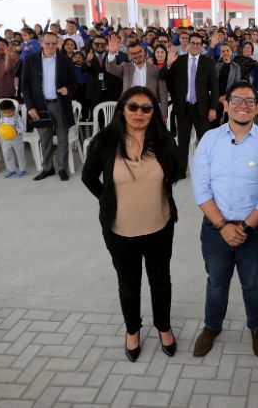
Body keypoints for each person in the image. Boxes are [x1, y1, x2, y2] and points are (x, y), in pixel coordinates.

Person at [81, 87, 180, 361]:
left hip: (160, 226)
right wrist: (108, 200)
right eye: (133, 107)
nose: (139, 113)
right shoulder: (104, 142)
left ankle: (164, 327)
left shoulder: (163, 140)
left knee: (161, 281)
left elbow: (175, 173)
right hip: (120, 230)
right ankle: (133, 331)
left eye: (146, 108)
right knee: (128, 283)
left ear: (154, 113)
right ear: (122, 109)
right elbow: (88, 178)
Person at [191, 81, 258, 359]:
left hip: (256, 228)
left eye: (250, 101)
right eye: (237, 99)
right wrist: (224, 226)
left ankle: (257, 327)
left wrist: (247, 226)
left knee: (252, 280)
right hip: (216, 228)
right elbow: (201, 190)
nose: (243, 105)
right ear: (226, 104)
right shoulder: (209, 139)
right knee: (216, 280)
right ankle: (212, 326)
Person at [22, 32, 78, 181]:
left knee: (62, 138)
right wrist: (30, 107)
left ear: (57, 44)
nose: (51, 46)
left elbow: (74, 82)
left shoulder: (65, 60)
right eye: (48, 43)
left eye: (54, 43)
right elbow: (25, 85)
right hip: (40, 106)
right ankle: (48, 169)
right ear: (41, 43)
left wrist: (68, 89)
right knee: (44, 139)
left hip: (59, 105)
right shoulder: (30, 60)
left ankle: (62, 168)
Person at [163, 33, 219, 178]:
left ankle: (209, 172)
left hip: (202, 109)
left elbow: (214, 87)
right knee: (183, 141)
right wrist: (168, 64)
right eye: (192, 43)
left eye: (198, 44)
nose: (195, 46)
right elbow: (166, 80)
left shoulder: (208, 62)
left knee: (205, 142)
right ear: (188, 44)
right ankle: (181, 171)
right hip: (183, 108)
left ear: (201, 46)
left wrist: (213, 108)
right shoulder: (179, 61)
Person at [106, 40, 168, 120]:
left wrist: (164, 114)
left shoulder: (156, 70)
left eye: (139, 52)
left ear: (144, 52)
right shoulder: (125, 67)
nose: (137, 55)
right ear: (129, 55)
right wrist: (111, 53)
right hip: (129, 108)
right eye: (133, 53)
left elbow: (163, 93)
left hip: (149, 109)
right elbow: (111, 68)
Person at [0, 99, 28, 178]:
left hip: (17, 139)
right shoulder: (1, 121)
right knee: (7, 155)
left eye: (10, 112)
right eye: (5, 113)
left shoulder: (18, 118)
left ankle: (22, 170)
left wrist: (16, 130)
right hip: (5, 141)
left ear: (14, 109)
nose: (7, 114)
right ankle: (11, 170)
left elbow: (24, 128)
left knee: (20, 154)